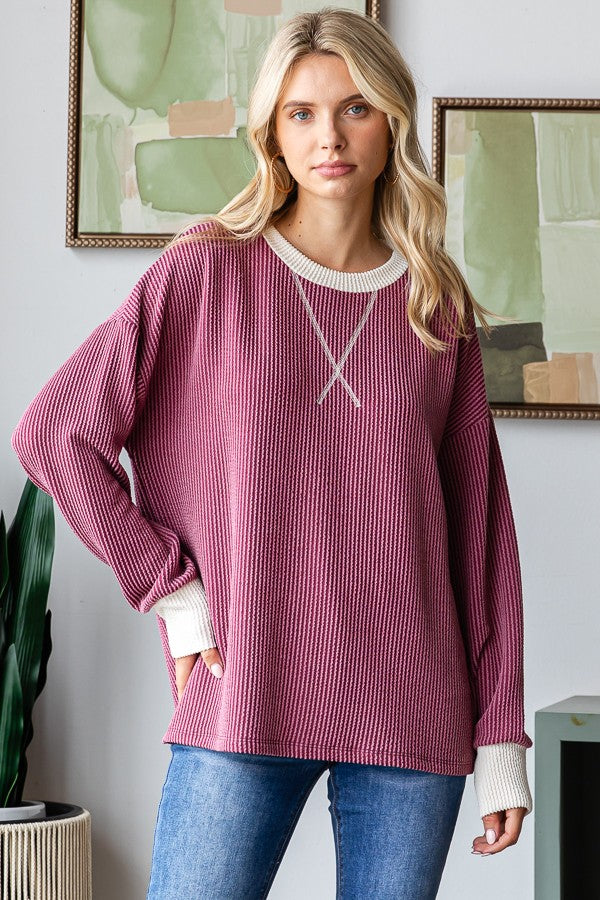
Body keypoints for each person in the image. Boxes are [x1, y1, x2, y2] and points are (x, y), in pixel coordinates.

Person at [11, 7, 533, 898]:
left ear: (392, 122)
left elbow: (480, 533)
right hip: (244, 686)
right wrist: (174, 594)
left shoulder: (435, 303)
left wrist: (500, 740)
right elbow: (55, 434)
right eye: (302, 113)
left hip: (413, 705)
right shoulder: (206, 271)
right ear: (273, 133)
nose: (329, 136)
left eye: (355, 108)